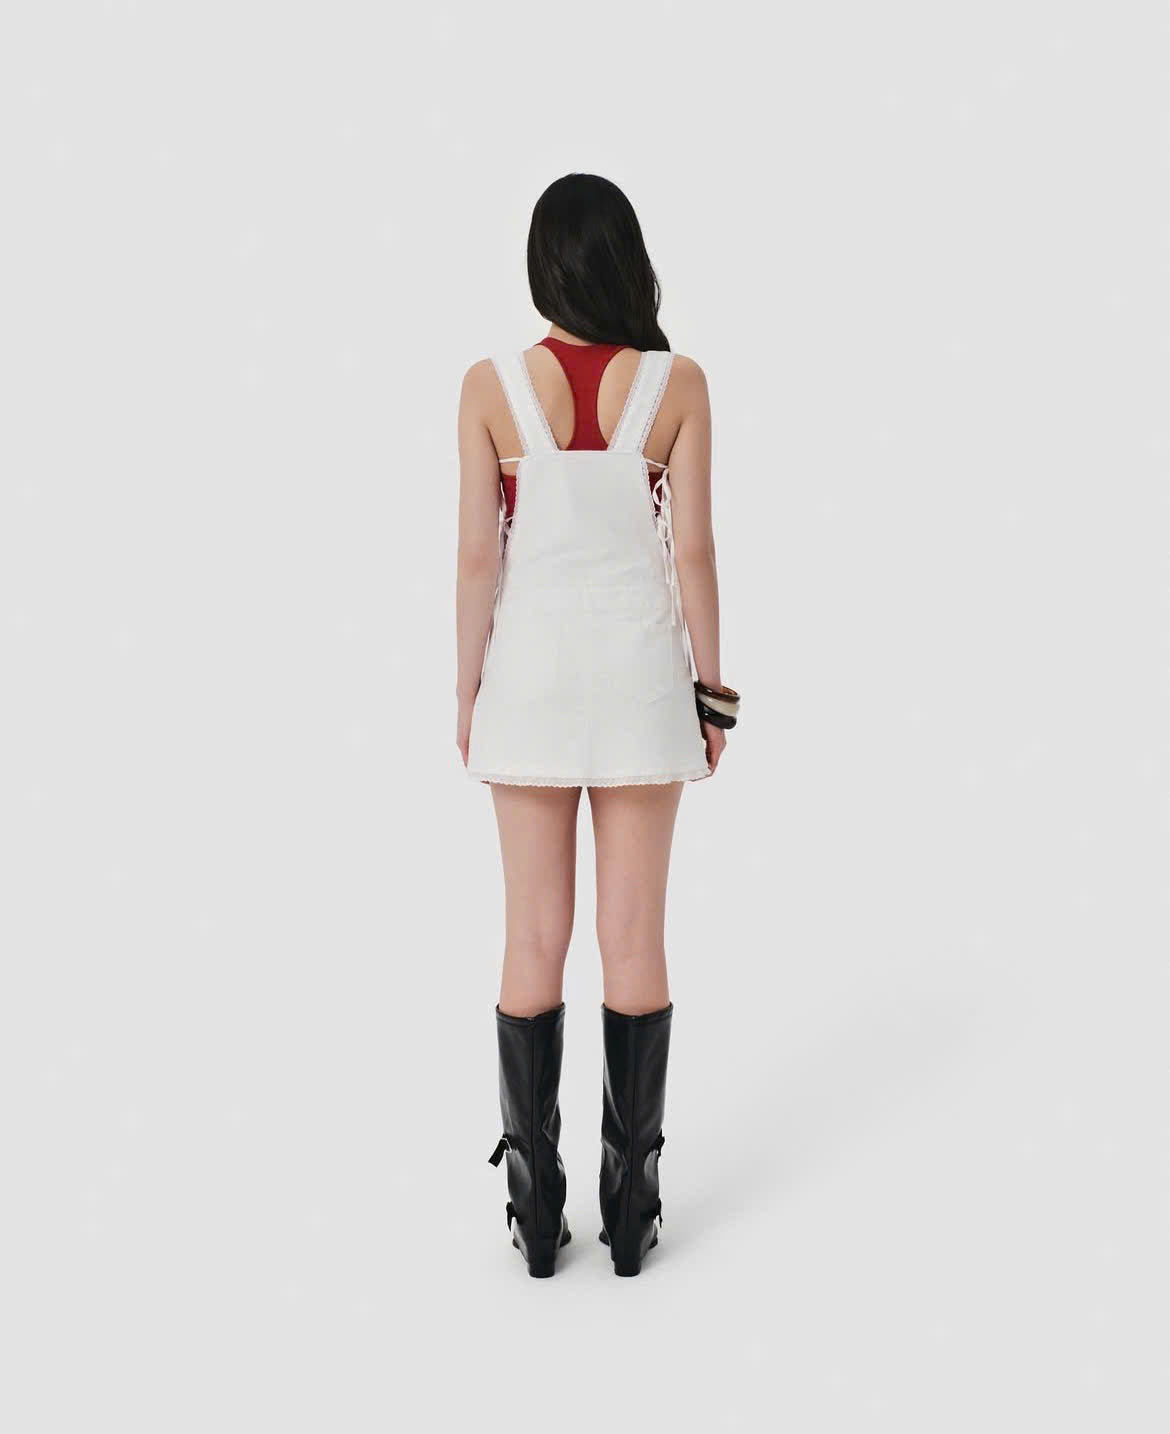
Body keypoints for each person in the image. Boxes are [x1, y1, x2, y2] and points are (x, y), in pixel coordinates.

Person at [455, 173, 740, 1277]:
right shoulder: (679, 385)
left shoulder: (489, 388)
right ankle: (632, 1208)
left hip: (526, 685)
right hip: (638, 684)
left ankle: (535, 1214)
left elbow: (477, 560)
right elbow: (695, 552)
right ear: (628, 261)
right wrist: (714, 694)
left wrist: (467, 693)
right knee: (635, 937)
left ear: (544, 265)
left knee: (532, 935)